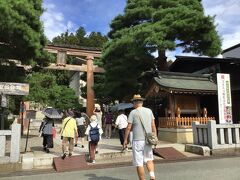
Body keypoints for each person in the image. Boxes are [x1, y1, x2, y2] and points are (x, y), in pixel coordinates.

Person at [123, 94, 157, 180]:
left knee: (139, 163)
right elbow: (153, 125)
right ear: (141, 102)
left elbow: (128, 127)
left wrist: (125, 140)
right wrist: (155, 137)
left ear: (134, 102)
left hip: (138, 140)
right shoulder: (149, 111)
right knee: (149, 159)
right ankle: (152, 175)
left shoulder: (133, 112)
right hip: (148, 140)